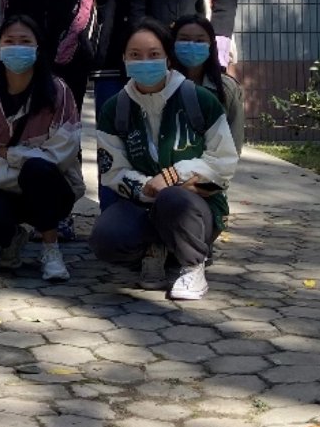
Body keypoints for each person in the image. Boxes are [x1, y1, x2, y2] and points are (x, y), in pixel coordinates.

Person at [89, 19, 239, 299]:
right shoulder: (115, 108)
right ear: (124, 59)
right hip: (142, 203)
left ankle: (192, 265)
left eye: (154, 54)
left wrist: (173, 177)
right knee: (106, 237)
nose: (144, 62)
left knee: (173, 199)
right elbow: (113, 171)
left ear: (168, 58)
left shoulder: (200, 99)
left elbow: (223, 161)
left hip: (195, 206)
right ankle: (155, 248)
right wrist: (148, 187)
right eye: (135, 55)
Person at [0, 14, 81, 283]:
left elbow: (62, 155)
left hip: (53, 189)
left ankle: (51, 249)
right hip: (2, 190)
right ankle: (15, 235)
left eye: (25, 41)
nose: (17, 47)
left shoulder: (58, 92)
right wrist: (26, 172)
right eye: (9, 41)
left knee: (38, 171)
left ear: (38, 47)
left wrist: (9, 154)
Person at [168, 13, 245, 152]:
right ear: (173, 43)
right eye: (184, 39)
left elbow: (234, 142)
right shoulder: (160, 85)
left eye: (199, 41)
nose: (191, 45)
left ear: (211, 45)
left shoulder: (227, 88)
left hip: (213, 164)